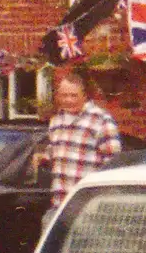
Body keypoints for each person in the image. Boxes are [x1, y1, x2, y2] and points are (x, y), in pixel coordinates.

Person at [45, 71, 121, 205]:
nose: (68, 100)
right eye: (64, 95)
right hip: (60, 204)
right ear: (58, 96)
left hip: (88, 204)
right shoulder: (56, 122)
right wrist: (43, 156)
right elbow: (55, 154)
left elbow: (113, 163)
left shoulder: (101, 119)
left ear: (84, 96)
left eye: (74, 95)